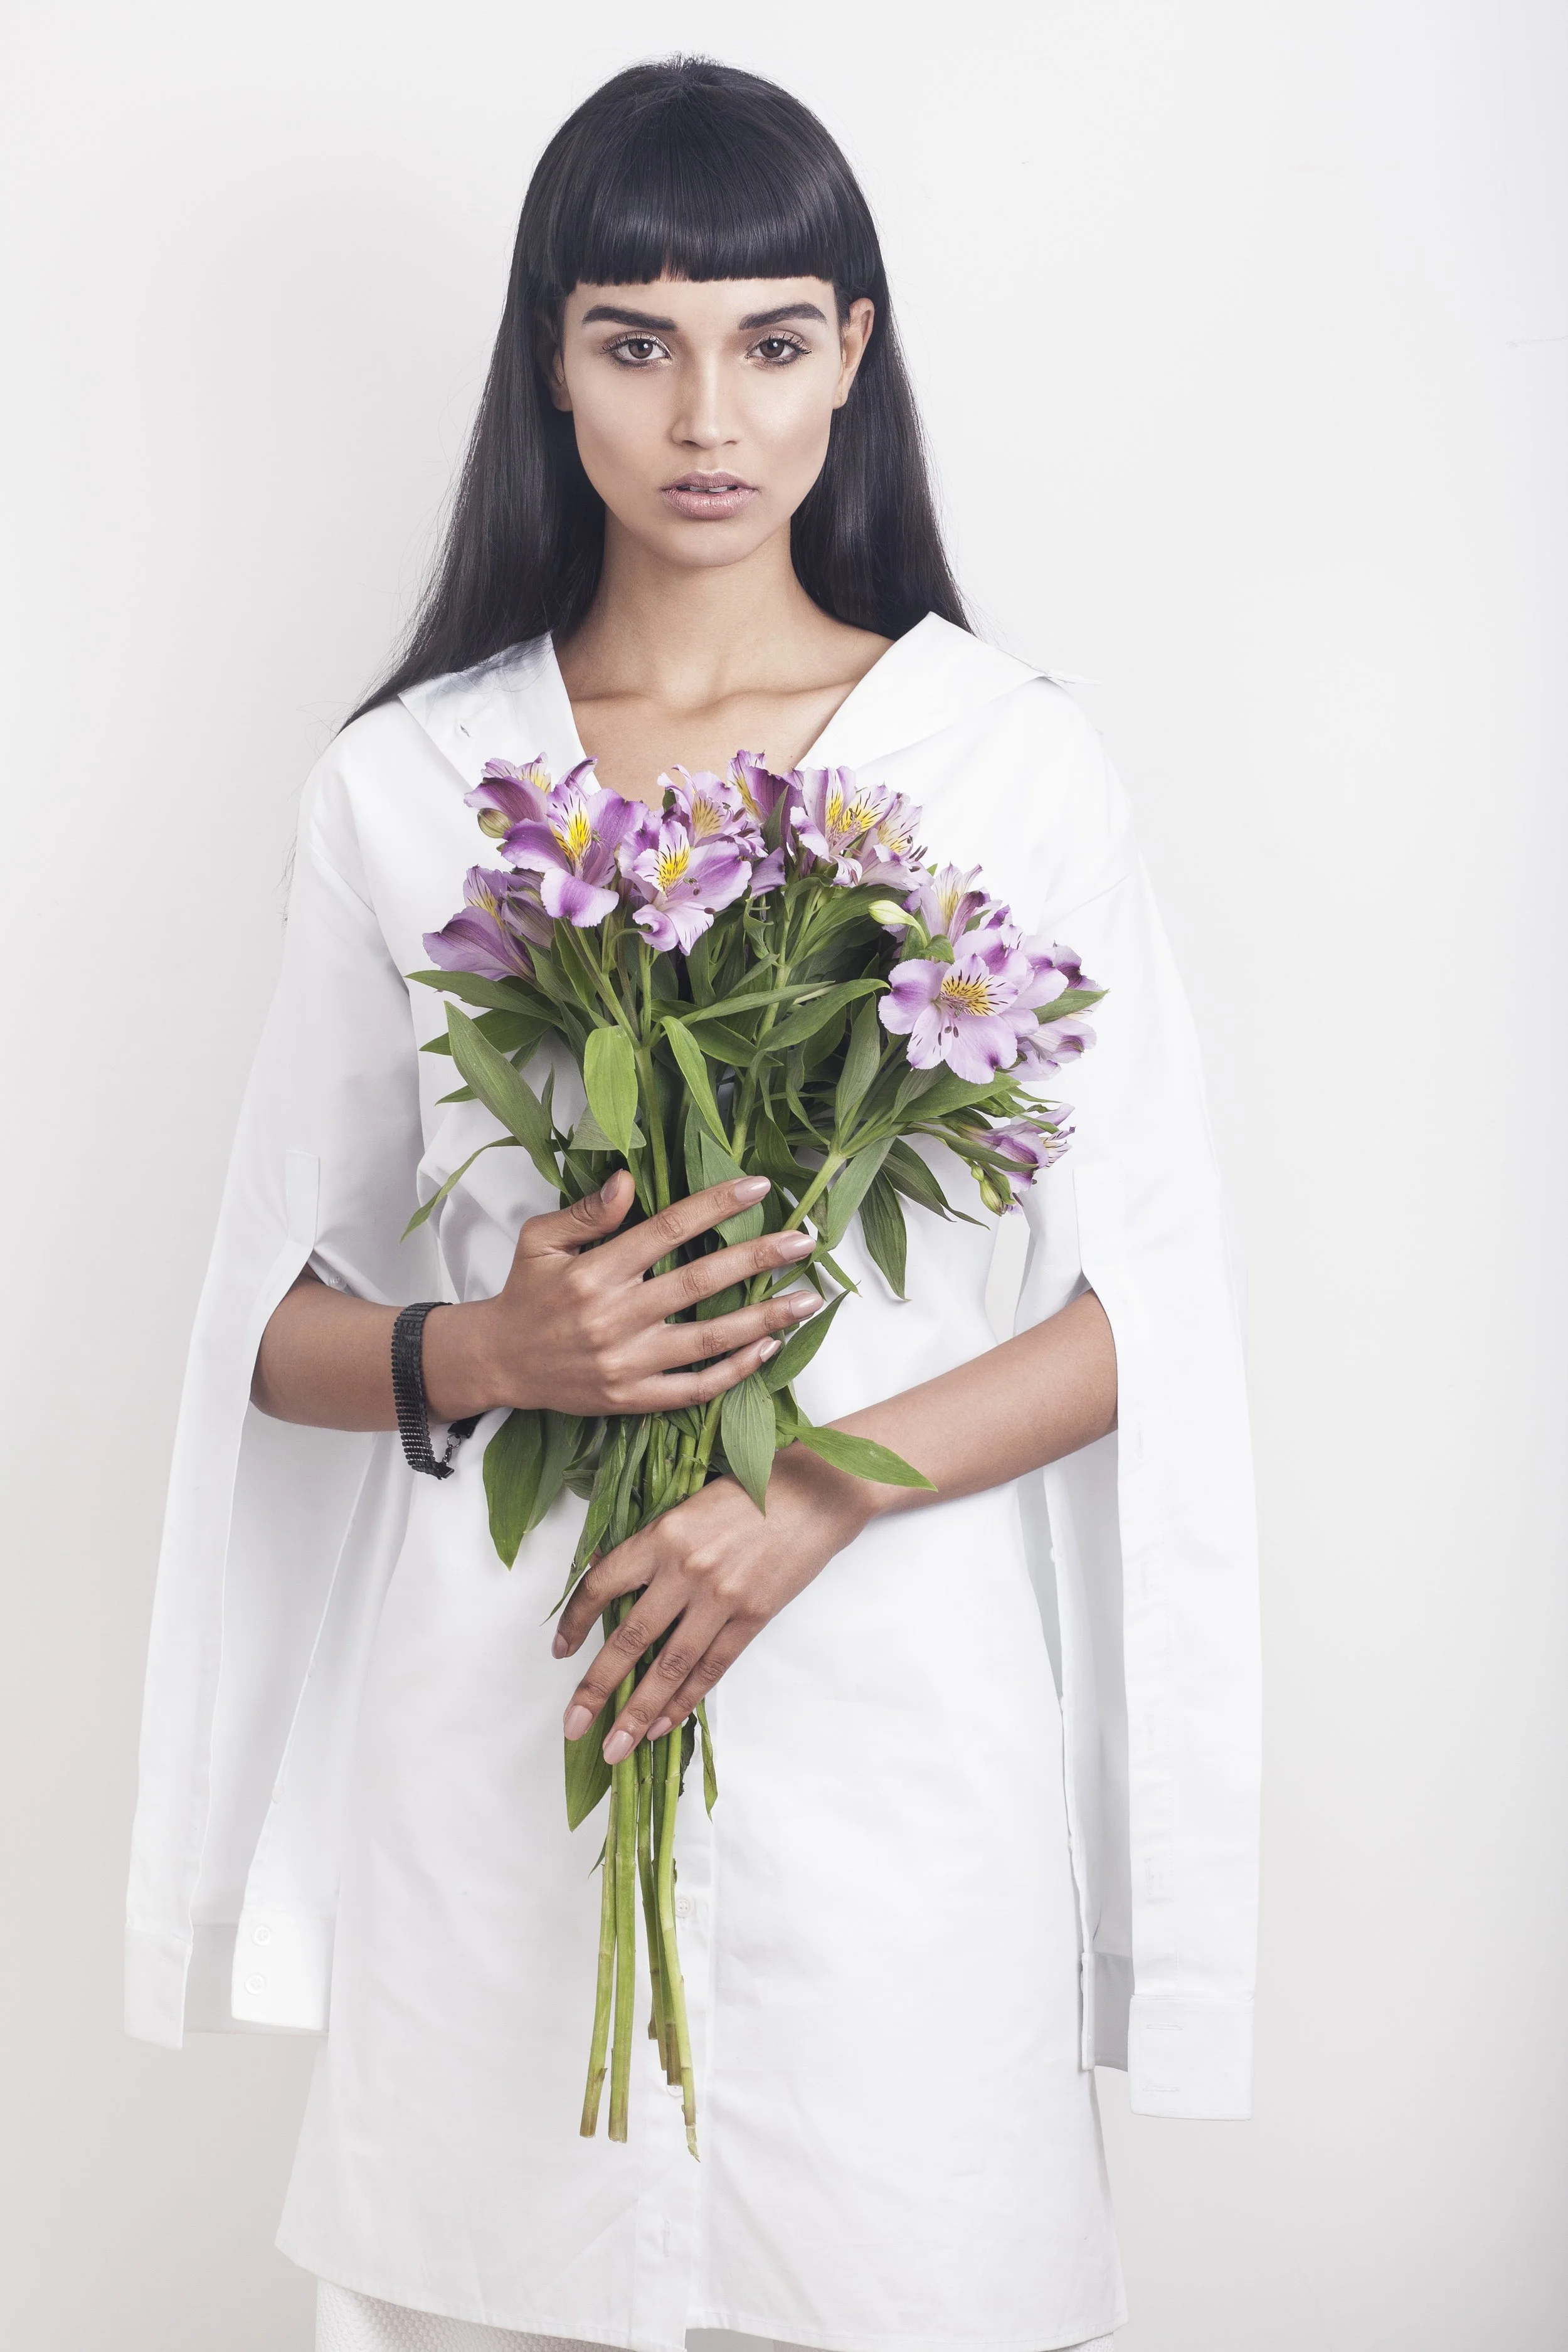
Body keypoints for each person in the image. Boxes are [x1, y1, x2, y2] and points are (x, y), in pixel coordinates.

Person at [125, 56, 1259, 2352]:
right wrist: (490, 1353)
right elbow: (270, 1315)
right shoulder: (420, 782)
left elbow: (1147, 1304)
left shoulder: (997, 763)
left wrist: (808, 1493)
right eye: (631, 339)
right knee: (493, 2281)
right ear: (551, 364)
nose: (703, 413)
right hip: (515, 1720)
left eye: (766, 336)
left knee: (909, 2266)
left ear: (854, 350)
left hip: (897, 1718)